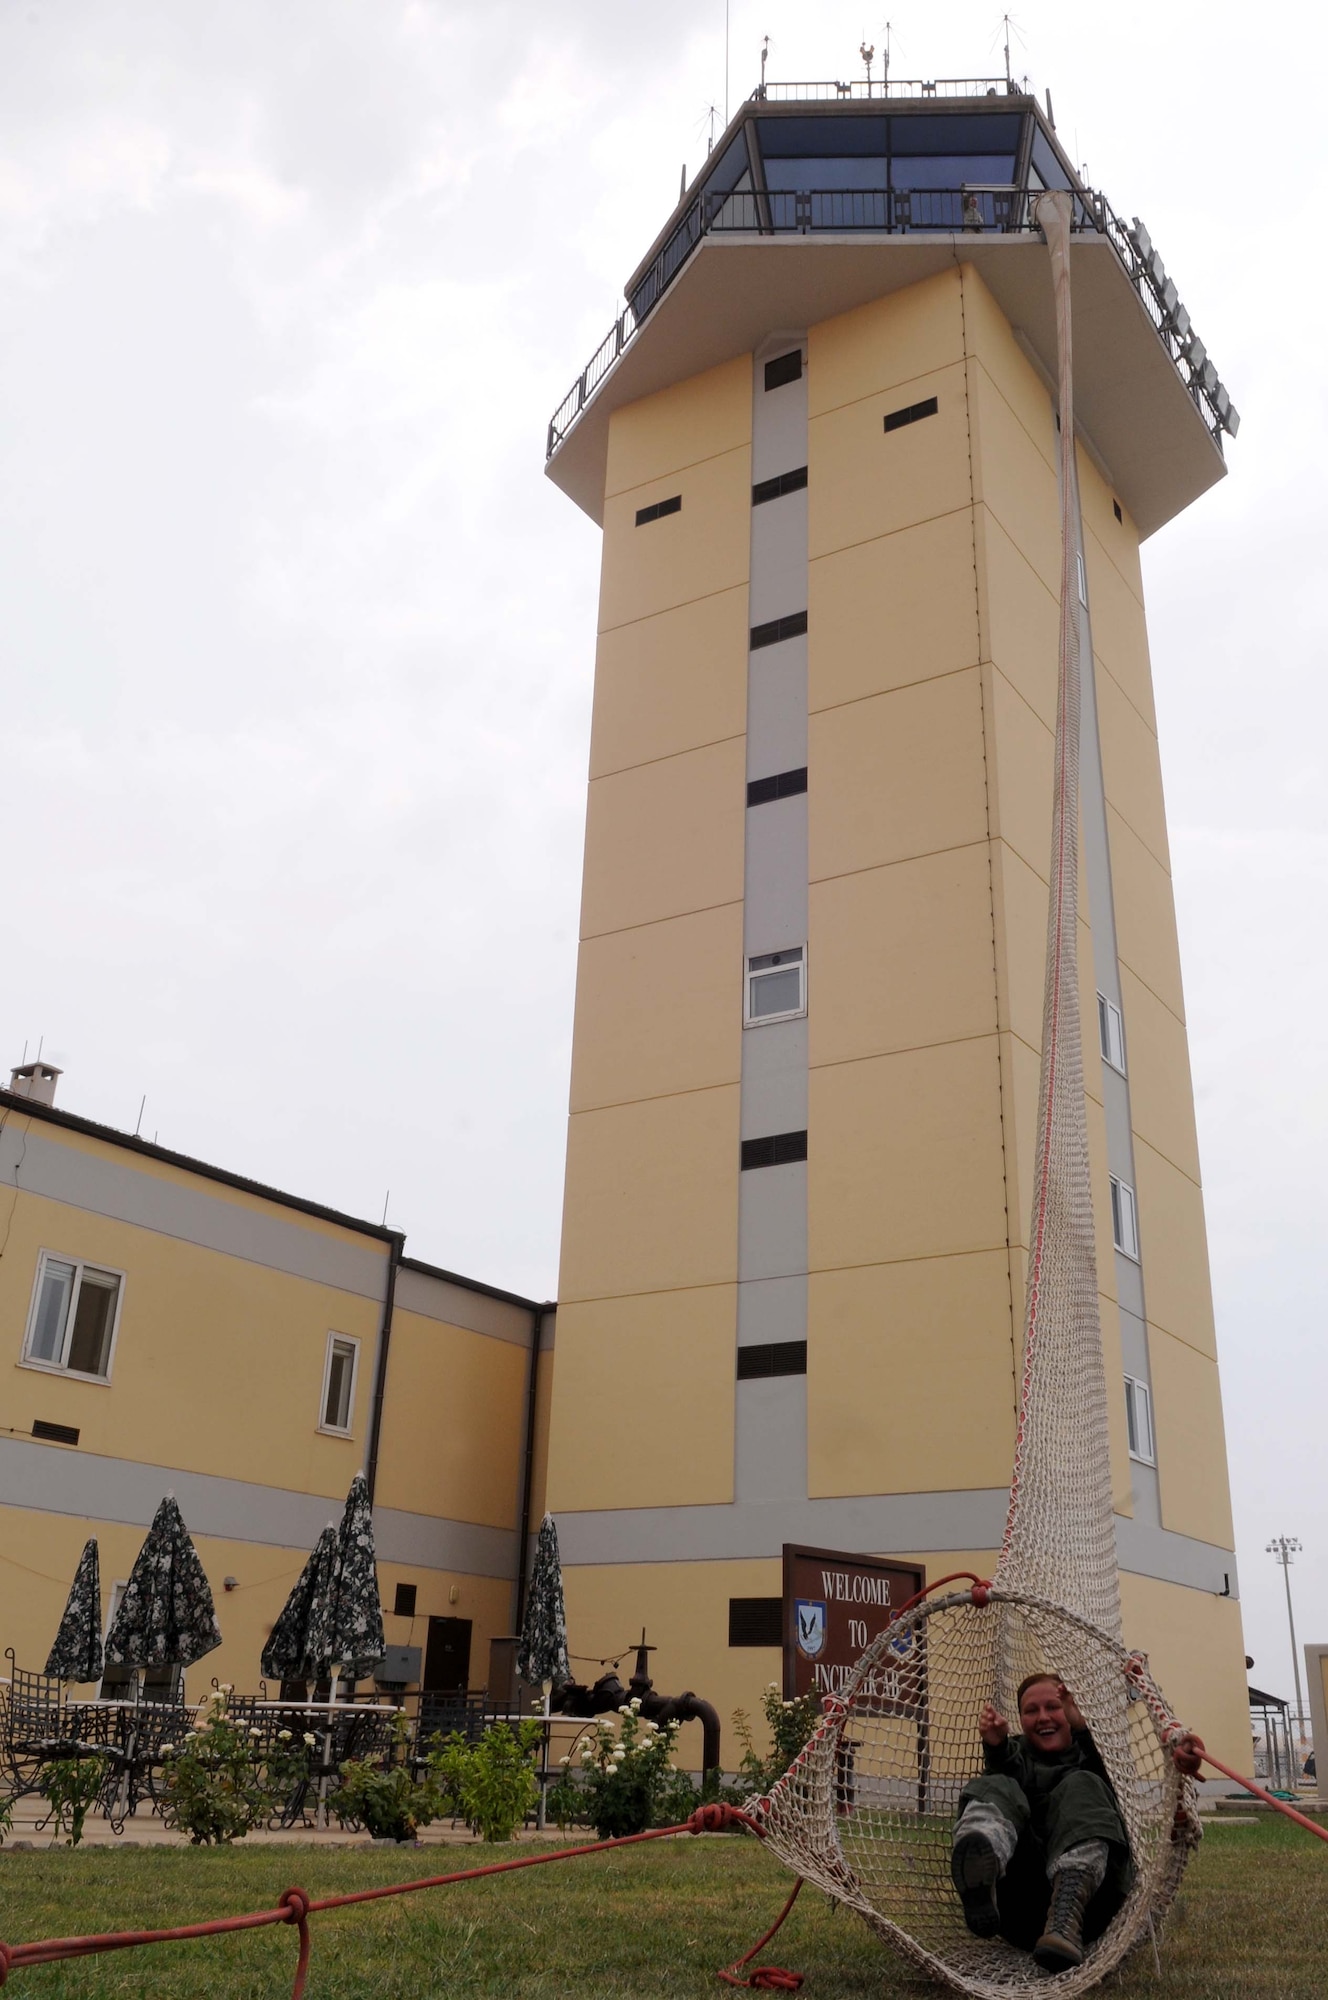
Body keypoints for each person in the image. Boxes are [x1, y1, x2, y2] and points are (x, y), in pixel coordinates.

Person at [950, 1674, 1202, 1973]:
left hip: (1090, 1914)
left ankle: (1066, 1913)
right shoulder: (1016, 1760)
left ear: (1069, 1711)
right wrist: (997, 1747)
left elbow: (1104, 1772)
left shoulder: (1097, 1760)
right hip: (1014, 1910)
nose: (1043, 1717)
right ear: (1020, 1718)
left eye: (1053, 1707)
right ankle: (983, 1866)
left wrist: (1083, 1727)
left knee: (1082, 1783)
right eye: (1031, 1710)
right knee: (996, 1784)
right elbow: (1009, 1770)